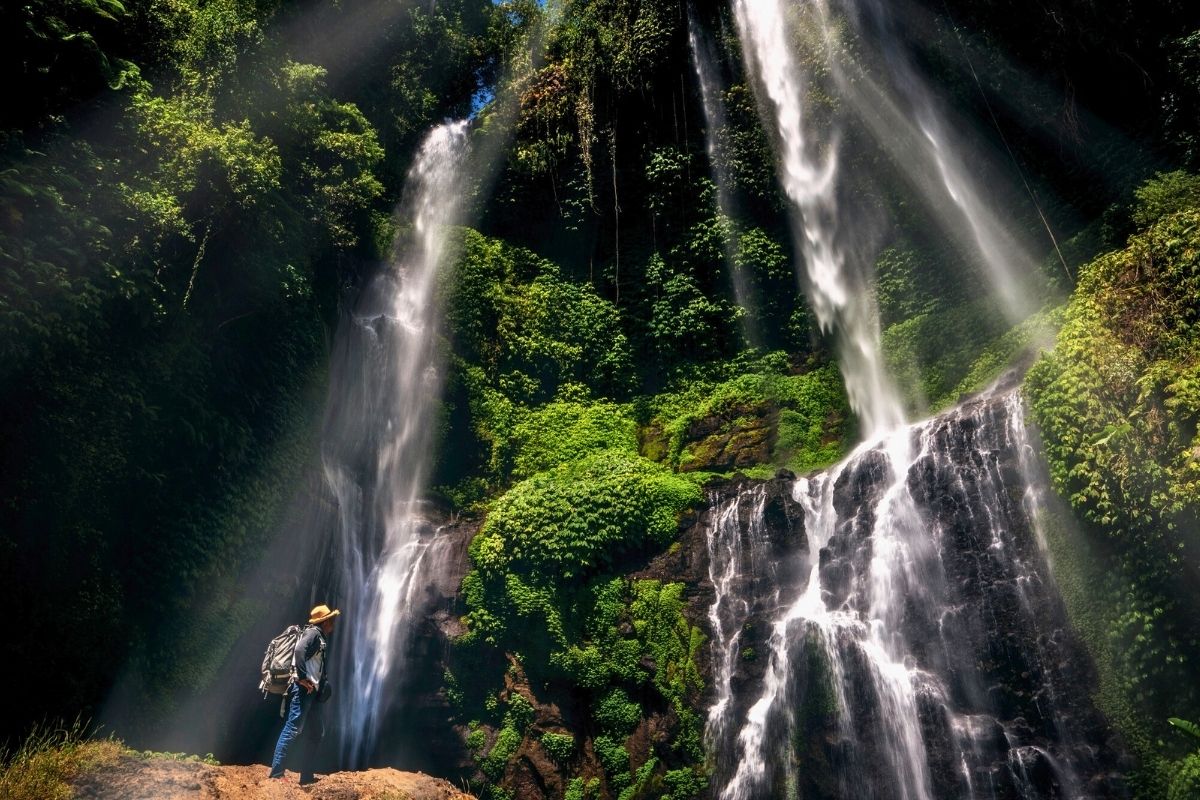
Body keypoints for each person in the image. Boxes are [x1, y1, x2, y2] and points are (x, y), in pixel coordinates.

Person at [268, 604, 340, 784]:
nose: (334, 624)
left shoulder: (319, 636)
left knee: (316, 732)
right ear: (325, 621)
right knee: (292, 728)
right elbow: (299, 650)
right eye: (332, 620)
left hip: (312, 692)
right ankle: (277, 773)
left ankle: (306, 776)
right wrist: (301, 678)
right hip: (302, 690)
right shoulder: (313, 633)